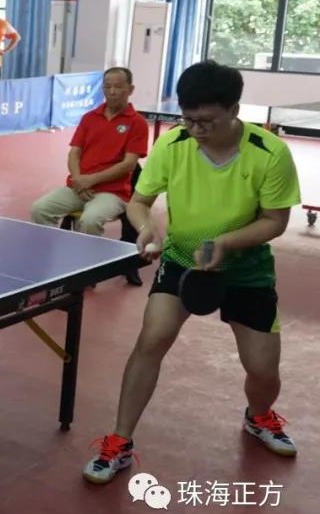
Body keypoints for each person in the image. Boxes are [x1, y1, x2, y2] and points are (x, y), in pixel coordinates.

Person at [83, 61, 302, 485]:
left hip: (247, 269)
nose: (196, 130)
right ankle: (119, 441)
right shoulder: (173, 143)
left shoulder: (270, 152)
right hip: (182, 260)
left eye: (207, 121)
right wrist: (146, 227)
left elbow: (275, 221)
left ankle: (259, 416)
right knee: (151, 340)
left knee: (262, 369)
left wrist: (226, 243)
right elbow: (139, 201)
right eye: (189, 119)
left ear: (234, 110)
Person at [30, 67, 148, 285]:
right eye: (107, 86)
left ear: (130, 90)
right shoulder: (89, 118)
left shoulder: (137, 122)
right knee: (40, 209)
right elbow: (74, 153)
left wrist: (90, 180)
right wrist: (78, 180)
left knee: (90, 220)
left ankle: (87, 270)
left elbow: (128, 164)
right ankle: (50, 259)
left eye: (118, 87)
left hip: (113, 193)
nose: (112, 91)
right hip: (78, 187)